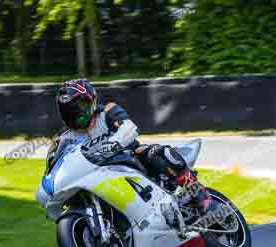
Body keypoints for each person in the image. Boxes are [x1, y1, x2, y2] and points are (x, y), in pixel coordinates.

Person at [49, 78, 211, 212]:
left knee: (155, 152)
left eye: (79, 107)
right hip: (95, 174)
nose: (75, 113)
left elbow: (129, 128)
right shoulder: (63, 138)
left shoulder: (107, 112)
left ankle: (196, 190)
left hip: (129, 158)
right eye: (68, 110)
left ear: (91, 101)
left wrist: (113, 144)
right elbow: (54, 165)